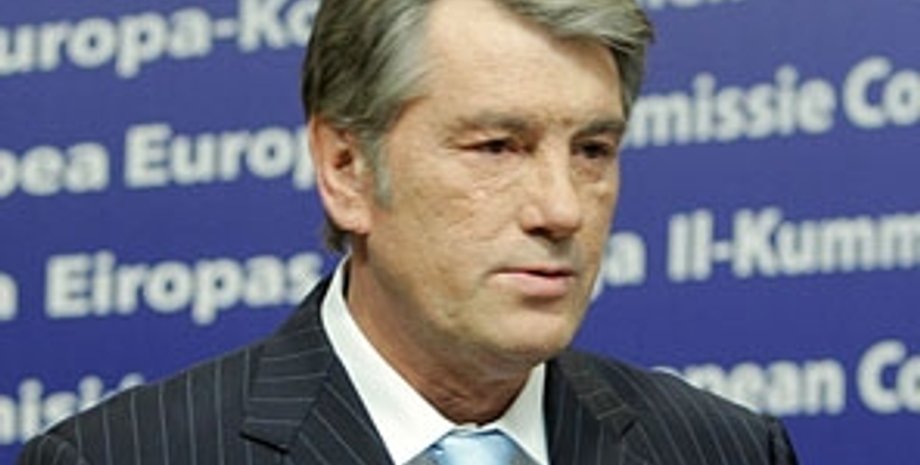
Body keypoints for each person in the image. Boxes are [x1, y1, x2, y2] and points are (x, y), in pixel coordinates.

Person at [19, 0, 799, 463]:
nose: (562, 209)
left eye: (593, 150)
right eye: (498, 146)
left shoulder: (723, 448)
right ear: (347, 169)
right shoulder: (125, 455)